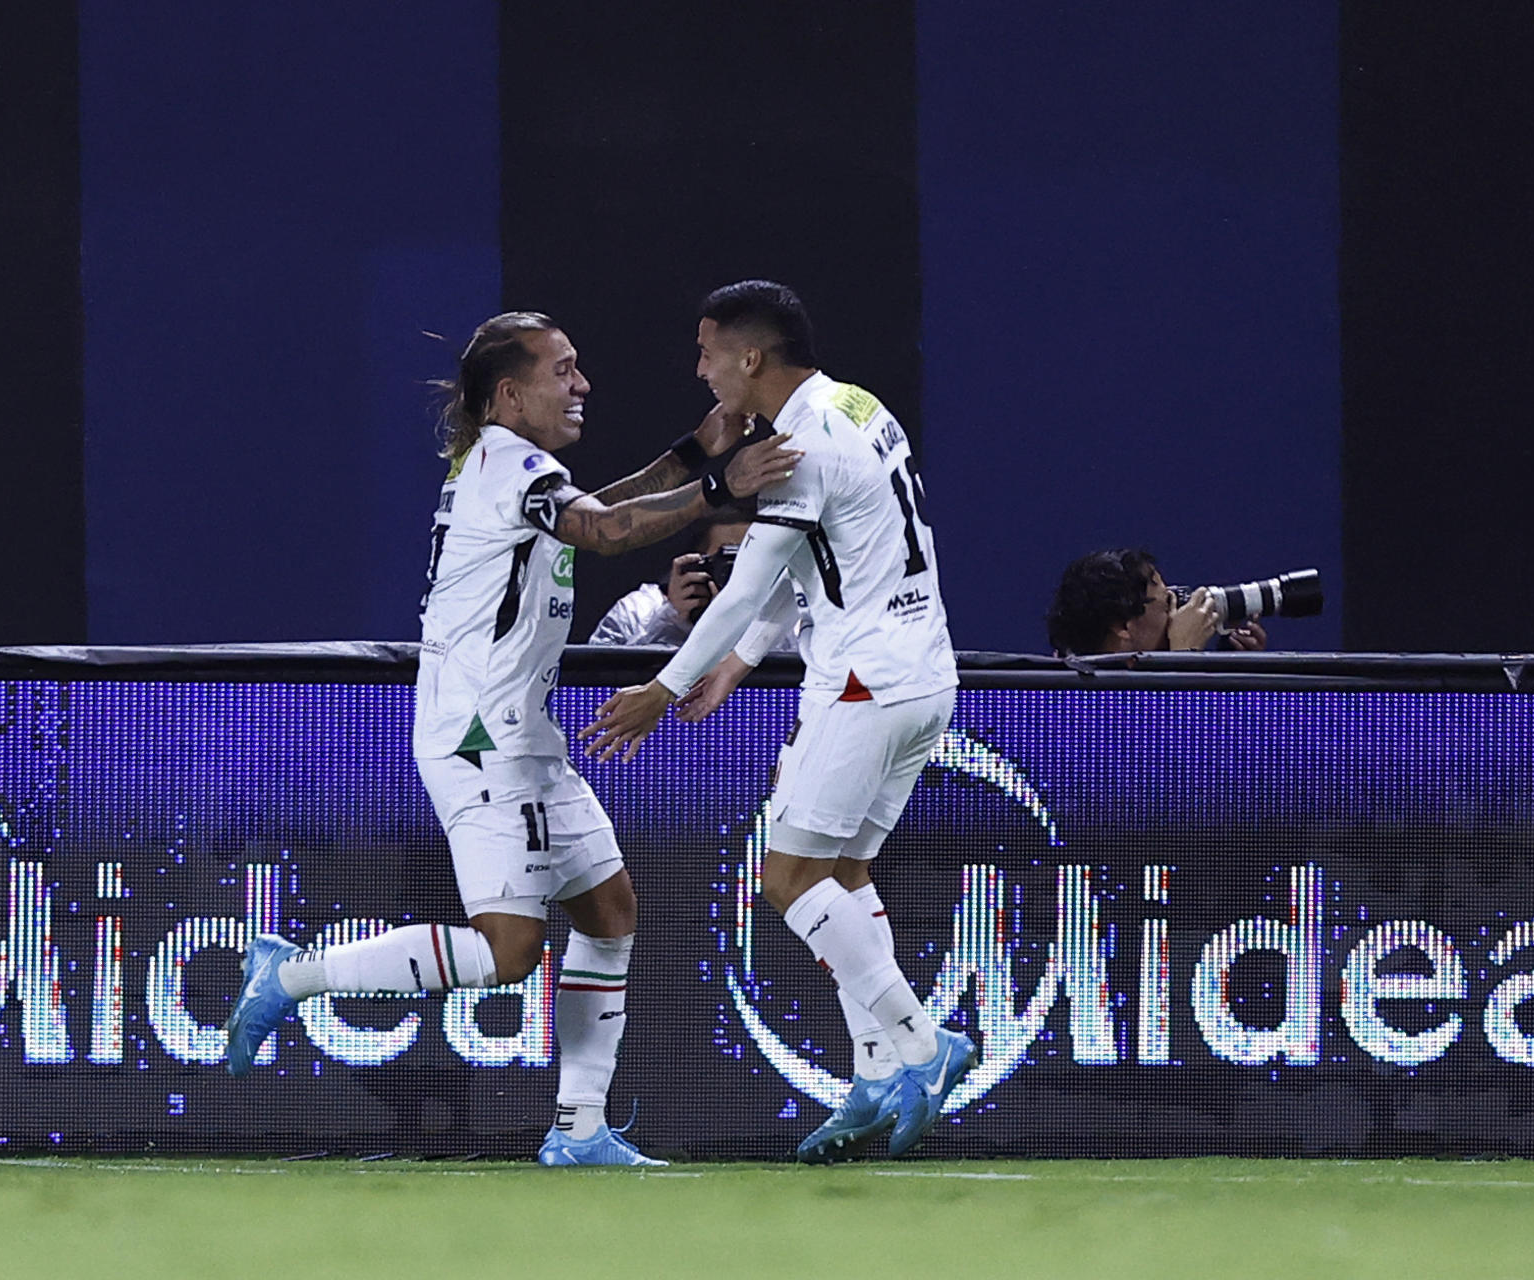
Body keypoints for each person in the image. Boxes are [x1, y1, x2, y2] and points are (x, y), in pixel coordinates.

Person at [224, 311, 801, 1167]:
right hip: (476, 738)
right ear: (509, 392)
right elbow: (605, 533)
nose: (582, 384)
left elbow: (598, 510)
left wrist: (694, 453)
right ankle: (292, 975)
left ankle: (578, 1131)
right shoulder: (508, 463)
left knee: (609, 911)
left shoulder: (508, 467)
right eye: (563, 370)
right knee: (509, 953)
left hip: (519, 733)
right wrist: (722, 486)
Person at [580, 280, 976, 1163]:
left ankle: (922, 1046)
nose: (699, 368)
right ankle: (874, 1079)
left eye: (707, 350)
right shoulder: (859, 404)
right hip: (925, 676)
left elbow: (750, 585)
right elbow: (802, 571)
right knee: (846, 875)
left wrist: (662, 687)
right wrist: (735, 668)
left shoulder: (795, 444)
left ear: (749, 358)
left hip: (865, 685)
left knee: (790, 882)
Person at [588, 513, 801, 651]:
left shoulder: (790, 613)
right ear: (695, 562)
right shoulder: (637, 610)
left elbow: (797, 681)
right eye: (728, 558)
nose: (738, 571)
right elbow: (597, 683)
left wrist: (752, 621)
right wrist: (673, 620)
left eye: (750, 558)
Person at [1044, 548, 1268, 657]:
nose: (1179, 613)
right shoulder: (1076, 703)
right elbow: (1165, 744)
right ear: (1123, 626)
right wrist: (1185, 655)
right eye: (1167, 603)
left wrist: (1233, 666)